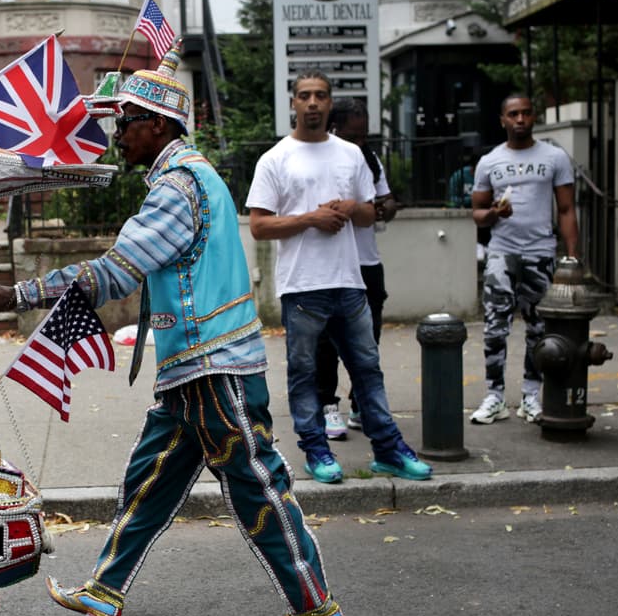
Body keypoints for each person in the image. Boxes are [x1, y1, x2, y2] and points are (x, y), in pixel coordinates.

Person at [0, 43, 344, 616]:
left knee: (256, 484)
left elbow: (119, 269)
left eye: (126, 123)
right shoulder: (186, 178)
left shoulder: (179, 184)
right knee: (150, 480)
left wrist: (18, 293)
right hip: (192, 367)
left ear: (159, 125)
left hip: (214, 364)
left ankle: (316, 608)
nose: (117, 135)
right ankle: (104, 590)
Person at [247, 72, 431, 485]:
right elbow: (259, 226)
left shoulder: (351, 155)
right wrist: (310, 218)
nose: (313, 103)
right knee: (305, 374)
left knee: (368, 369)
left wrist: (350, 207)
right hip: (302, 287)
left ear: (330, 103)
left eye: (321, 96)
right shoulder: (275, 158)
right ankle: (316, 451)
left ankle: (388, 450)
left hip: (350, 282)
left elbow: (370, 213)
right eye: (305, 96)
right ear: (293, 103)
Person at [469, 94, 579, 425]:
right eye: (513, 114)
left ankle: (532, 395)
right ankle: (495, 396)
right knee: (494, 328)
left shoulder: (555, 157)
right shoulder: (489, 161)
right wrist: (493, 212)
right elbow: (477, 214)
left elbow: (566, 209)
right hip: (502, 253)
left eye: (526, 114)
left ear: (534, 117)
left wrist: (572, 259)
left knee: (540, 328)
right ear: (502, 119)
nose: (520, 119)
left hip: (541, 254)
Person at [314, 99, 397, 438]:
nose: (360, 143)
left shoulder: (370, 160)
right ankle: (326, 404)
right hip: (331, 264)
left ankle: (360, 403)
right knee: (326, 341)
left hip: (367, 263)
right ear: (334, 130)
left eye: (364, 135)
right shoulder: (322, 161)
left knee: (368, 338)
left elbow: (386, 202)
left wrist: (381, 209)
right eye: (353, 135)